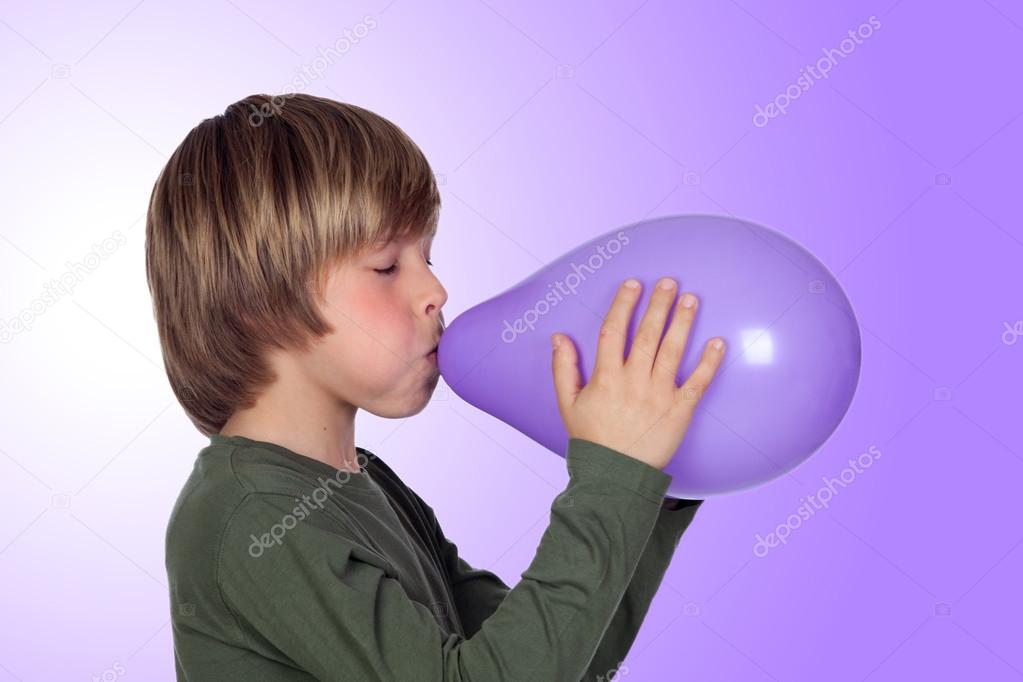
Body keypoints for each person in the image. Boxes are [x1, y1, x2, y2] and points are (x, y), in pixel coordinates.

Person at [147, 92, 727, 681]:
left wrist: (649, 491)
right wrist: (610, 478)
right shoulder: (250, 516)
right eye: (387, 266)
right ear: (259, 302)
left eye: (427, 256)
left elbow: (563, 656)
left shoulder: (365, 482)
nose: (436, 291)